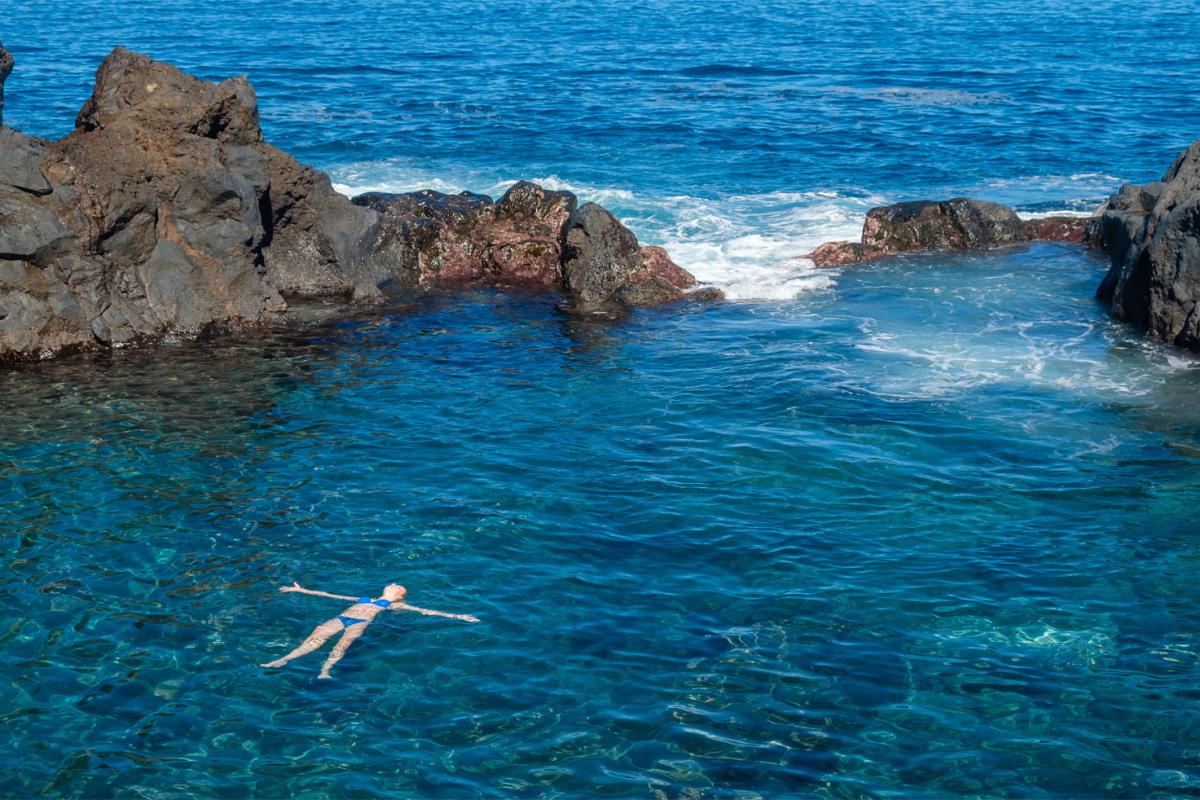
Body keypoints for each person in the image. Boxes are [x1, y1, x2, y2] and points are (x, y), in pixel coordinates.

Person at [260, 582, 478, 679]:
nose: (393, 584)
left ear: (398, 595)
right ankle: (284, 659)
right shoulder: (367, 598)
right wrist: (300, 590)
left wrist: (459, 616)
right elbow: (329, 595)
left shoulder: (395, 605)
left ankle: (325, 670)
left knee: (341, 645)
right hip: (341, 617)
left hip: (358, 624)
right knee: (316, 637)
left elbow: (427, 612)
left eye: (397, 586)